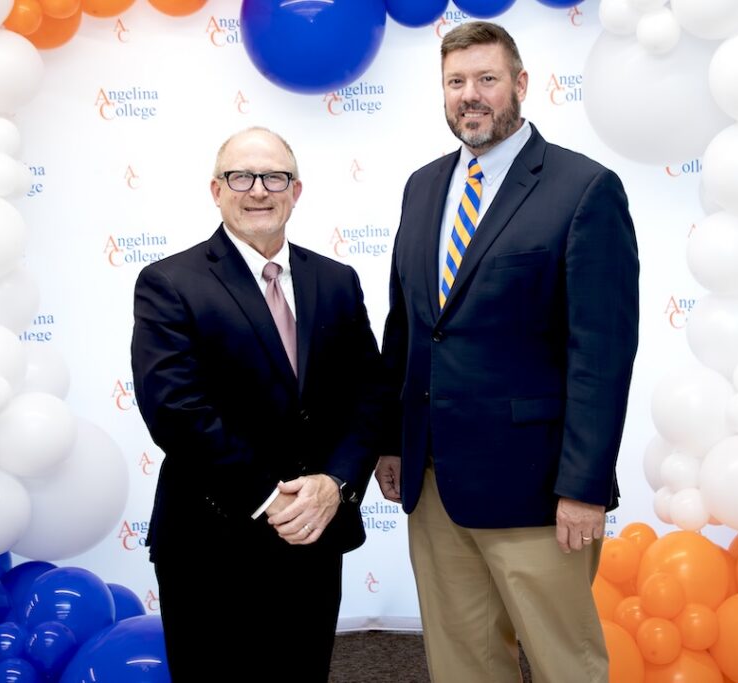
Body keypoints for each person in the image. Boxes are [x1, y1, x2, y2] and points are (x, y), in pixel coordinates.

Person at [375, 21, 640, 683]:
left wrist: (583, 488)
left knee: (564, 664)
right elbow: (407, 326)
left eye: (487, 79)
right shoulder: (421, 186)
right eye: (456, 82)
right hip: (434, 486)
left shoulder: (584, 189)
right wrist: (392, 438)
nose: (471, 95)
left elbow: (601, 356)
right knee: (461, 663)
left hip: (538, 489)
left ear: (520, 85)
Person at [131, 127, 383, 682]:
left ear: (296, 191)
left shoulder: (337, 280)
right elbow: (175, 409)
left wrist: (334, 486)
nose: (258, 190)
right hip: (210, 541)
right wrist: (271, 497)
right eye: (240, 177)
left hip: (315, 534)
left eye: (274, 177)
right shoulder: (169, 282)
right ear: (216, 190)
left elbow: (368, 394)